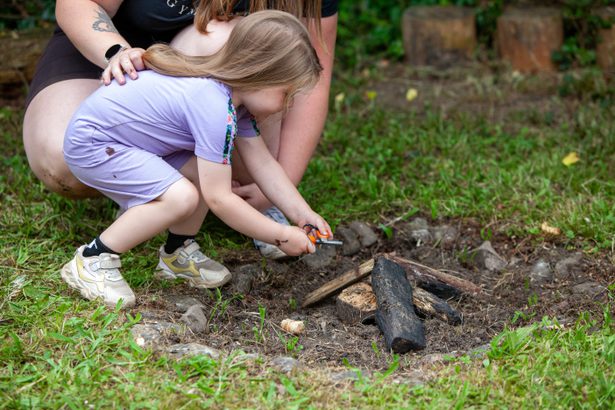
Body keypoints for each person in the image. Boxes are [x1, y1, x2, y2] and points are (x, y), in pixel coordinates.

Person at [23, 0, 338, 259]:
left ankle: (177, 251)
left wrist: (299, 211)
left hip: (180, 71)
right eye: (285, 94)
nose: (287, 106)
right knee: (184, 195)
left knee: (205, 172)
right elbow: (220, 198)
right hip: (102, 116)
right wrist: (282, 236)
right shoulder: (215, 107)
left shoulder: (233, 105)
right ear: (257, 72)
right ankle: (95, 258)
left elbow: (262, 160)